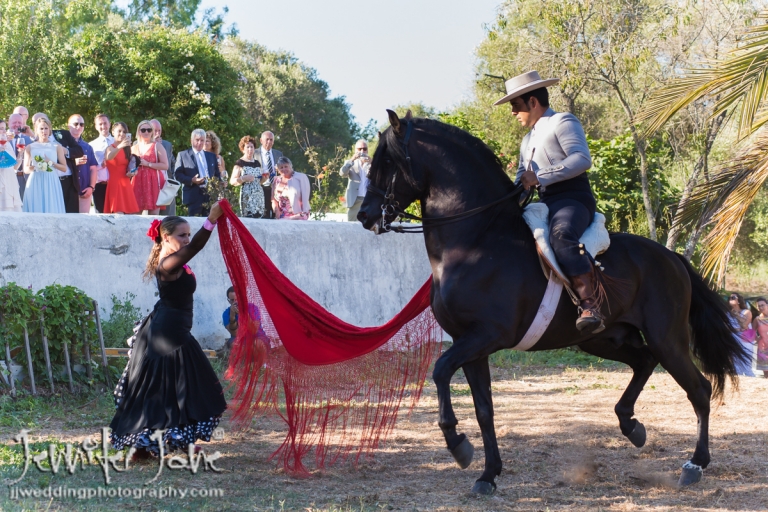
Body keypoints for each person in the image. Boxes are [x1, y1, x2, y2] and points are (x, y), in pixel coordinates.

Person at [110, 206, 227, 458]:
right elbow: (195, 247)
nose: (186, 239)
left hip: (174, 331)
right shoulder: (167, 265)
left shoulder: (174, 260)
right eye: (181, 235)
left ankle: (174, 440)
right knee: (163, 389)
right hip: (168, 335)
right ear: (166, 237)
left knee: (181, 388)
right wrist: (211, 221)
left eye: (188, 234)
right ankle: (144, 443)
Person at [494, 70, 601, 333]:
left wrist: (539, 176)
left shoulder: (563, 121)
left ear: (532, 102)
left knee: (561, 234)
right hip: (544, 203)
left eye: (516, 106)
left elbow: (581, 159)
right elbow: (522, 181)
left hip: (573, 199)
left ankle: (590, 303)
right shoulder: (526, 140)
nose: (513, 112)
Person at [21, 118, 67, 213]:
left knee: (52, 208)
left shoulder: (56, 146)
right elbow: (25, 169)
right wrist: (36, 166)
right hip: (35, 180)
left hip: (51, 180)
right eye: (41, 128)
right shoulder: (30, 147)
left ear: (50, 129)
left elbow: (64, 168)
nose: (44, 131)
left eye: (46, 128)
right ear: (36, 130)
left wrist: (51, 163)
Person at [175, 129, 220, 217]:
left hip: (209, 196)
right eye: (197, 140)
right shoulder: (183, 155)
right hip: (193, 196)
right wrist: (192, 180)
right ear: (191, 141)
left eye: (202, 140)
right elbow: (177, 174)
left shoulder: (211, 156)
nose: (199, 143)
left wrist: (220, 183)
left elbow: (216, 174)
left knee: (209, 224)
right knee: (194, 224)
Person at [131, 120, 170, 215]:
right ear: (138, 131)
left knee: (153, 217)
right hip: (137, 181)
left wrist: (148, 164)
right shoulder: (133, 148)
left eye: (149, 130)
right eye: (143, 130)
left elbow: (165, 165)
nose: (146, 132)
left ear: (152, 131)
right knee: (134, 216)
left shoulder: (157, 146)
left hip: (153, 183)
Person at [103, 122, 140, 214]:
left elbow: (130, 166)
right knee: (117, 214)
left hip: (126, 183)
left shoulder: (127, 149)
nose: (122, 134)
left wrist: (133, 172)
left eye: (124, 132)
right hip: (115, 184)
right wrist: (120, 146)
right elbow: (109, 157)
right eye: (119, 131)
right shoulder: (110, 148)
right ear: (113, 132)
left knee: (130, 215)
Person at [67, 114, 100, 214]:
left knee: (84, 222)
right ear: (69, 126)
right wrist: (74, 163)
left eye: (82, 124)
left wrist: (91, 187)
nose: (79, 126)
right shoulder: (62, 145)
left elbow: (93, 168)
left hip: (84, 190)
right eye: (76, 124)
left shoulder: (87, 147)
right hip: (68, 191)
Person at [229, 135, 268, 218]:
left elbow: (259, 182)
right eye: (247, 147)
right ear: (243, 149)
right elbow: (232, 181)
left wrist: (264, 179)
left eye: (252, 147)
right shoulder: (240, 163)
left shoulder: (257, 163)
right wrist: (243, 178)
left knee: (259, 218)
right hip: (247, 197)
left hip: (259, 196)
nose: (250, 149)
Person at [339, 139, 371, 221]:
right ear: (355, 150)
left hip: (369, 199)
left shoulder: (372, 163)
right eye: (359, 149)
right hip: (355, 200)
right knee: (351, 224)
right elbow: (342, 173)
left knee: (369, 225)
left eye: (364, 149)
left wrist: (373, 163)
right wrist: (352, 160)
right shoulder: (350, 163)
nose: (362, 151)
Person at [150, 119, 176, 216]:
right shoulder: (139, 144)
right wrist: (153, 144)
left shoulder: (167, 145)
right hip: (150, 186)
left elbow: (173, 163)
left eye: (159, 131)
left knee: (169, 218)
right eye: (154, 130)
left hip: (166, 186)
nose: (157, 133)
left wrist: (173, 180)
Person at [254, 131, 283, 219]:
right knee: (263, 215)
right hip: (261, 187)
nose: (269, 142)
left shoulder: (278, 154)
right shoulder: (254, 153)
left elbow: (284, 170)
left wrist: (279, 170)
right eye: (267, 139)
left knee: (276, 215)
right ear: (261, 140)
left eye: (271, 140)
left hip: (275, 189)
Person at [89, 114, 114, 213]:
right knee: (101, 216)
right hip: (100, 185)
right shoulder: (92, 145)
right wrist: (101, 166)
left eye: (105, 123)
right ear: (96, 126)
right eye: (100, 124)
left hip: (116, 185)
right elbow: (90, 167)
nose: (103, 126)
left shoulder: (117, 142)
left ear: (110, 124)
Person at [729, 293, 756, 377]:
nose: (730, 299)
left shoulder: (747, 312)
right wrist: (737, 329)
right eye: (730, 298)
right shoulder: (728, 313)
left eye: (733, 297)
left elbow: (744, 325)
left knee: (746, 365)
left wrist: (736, 314)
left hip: (746, 338)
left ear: (739, 300)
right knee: (736, 365)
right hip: (734, 338)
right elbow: (726, 327)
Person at [8, 113, 33, 200]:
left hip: (25, 178)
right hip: (7, 178)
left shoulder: (29, 139)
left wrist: (32, 135)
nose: (17, 125)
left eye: (20, 122)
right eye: (14, 122)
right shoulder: (2, 137)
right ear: (9, 123)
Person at [0, 130, 23, 212]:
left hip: (10, 181)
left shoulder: (7, 144)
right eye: (0, 128)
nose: (3, 131)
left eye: (4, 129)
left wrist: (20, 154)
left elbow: (14, 167)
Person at [753, 297, 768, 378]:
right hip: (763, 348)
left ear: (767, 305)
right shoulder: (757, 319)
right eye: (759, 306)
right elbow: (751, 332)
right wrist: (757, 338)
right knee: (766, 374)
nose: (761, 307)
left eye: (762, 305)